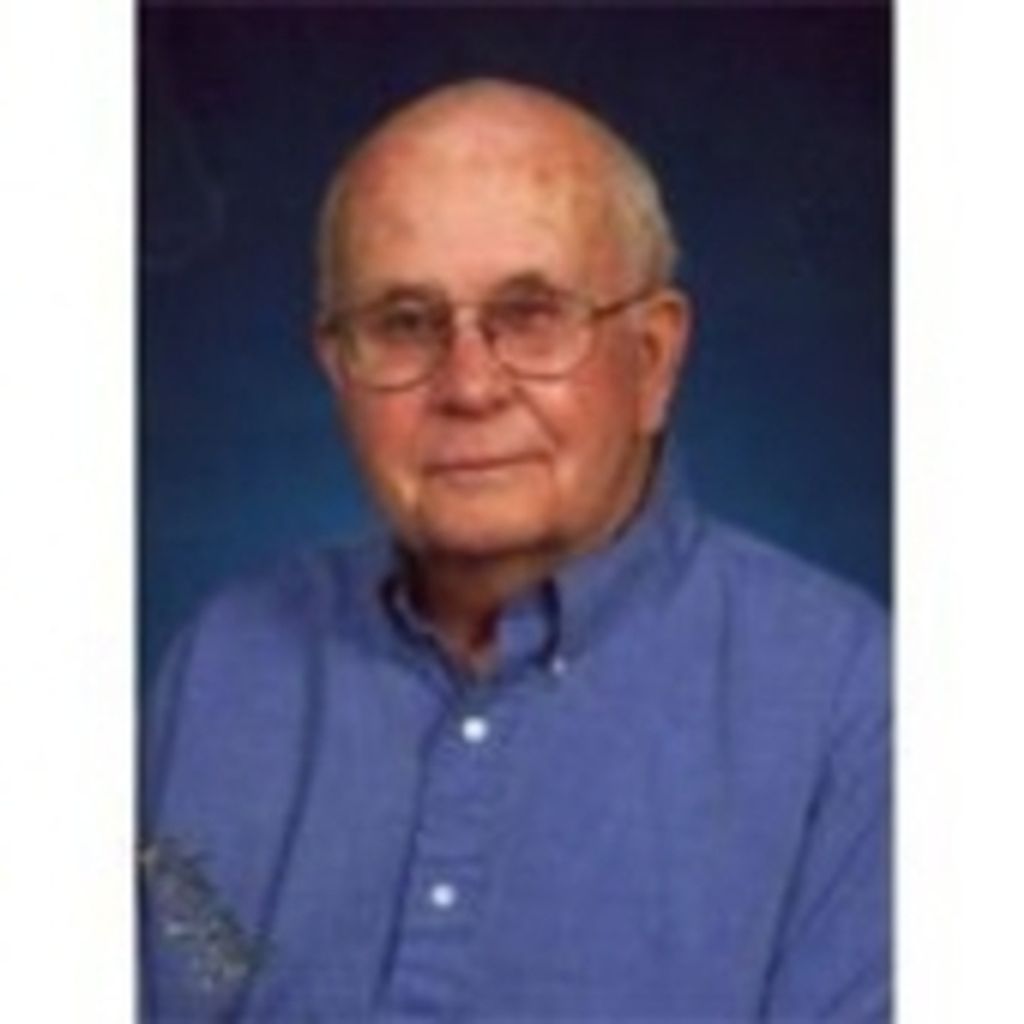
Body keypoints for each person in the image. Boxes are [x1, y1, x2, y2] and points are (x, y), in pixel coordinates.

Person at [141, 78, 890, 1022]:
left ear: (653, 359)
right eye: (404, 323)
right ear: (339, 370)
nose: (469, 386)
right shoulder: (223, 666)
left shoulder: (857, 710)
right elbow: (198, 967)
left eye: (532, 316)